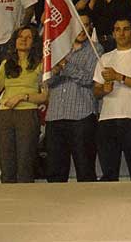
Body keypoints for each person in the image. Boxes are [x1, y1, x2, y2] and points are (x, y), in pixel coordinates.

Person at [0, 25, 46, 183]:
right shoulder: (6, 64)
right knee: (6, 164)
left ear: (34, 42)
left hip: (27, 113)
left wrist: (22, 97)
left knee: (25, 164)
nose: (23, 40)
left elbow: (44, 96)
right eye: (20, 37)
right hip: (5, 114)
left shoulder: (41, 64)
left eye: (28, 37)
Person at [45, 11, 101, 183]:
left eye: (86, 25)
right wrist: (54, 71)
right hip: (55, 116)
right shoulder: (57, 47)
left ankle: (88, 207)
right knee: (55, 171)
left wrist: (63, 65)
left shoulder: (95, 49)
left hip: (81, 117)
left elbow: (87, 78)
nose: (82, 29)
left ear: (90, 27)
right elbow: (47, 81)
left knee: (84, 169)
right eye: (79, 25)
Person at [93, 16, 131, 181]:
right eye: (117, 29)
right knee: (109, 174)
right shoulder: (105, 58)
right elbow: (95, 90)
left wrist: (120, 77)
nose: (121, 33)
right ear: (113, 33)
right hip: (107, 120)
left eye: (125, 29)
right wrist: (103, 90)